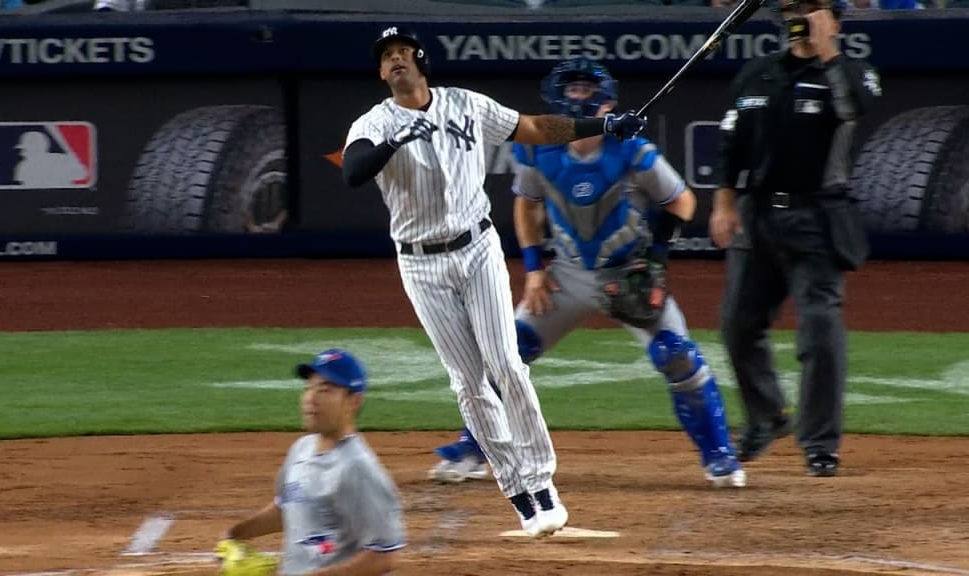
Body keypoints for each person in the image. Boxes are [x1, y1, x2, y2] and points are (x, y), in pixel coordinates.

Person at [341, 26, 645, 537]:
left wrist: (606, 124)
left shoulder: (466, 105)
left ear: (420, 61)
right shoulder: (373, 123)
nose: (394, 61)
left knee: (506, 363)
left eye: (401, 53)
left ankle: (541, 481)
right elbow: (353, 171)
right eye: (385, 57)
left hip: (478, 249)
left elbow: (536, 128)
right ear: (380, 72)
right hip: (421, 266)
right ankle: (517, 492)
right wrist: (392, 140)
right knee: (468, 382)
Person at [429, 57, 747, 490]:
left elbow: (683, 203)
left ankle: (720, 457)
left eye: (586, 90)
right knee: (509, 354)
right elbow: (527, 204)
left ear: (606, 104)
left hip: (626, 274)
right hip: (568, 274)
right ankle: (474, 449)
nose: (578, 97)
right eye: (571, 90)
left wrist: (654, 259)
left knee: (677, 356)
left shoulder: (632, 149)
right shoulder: (538, 147)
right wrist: (535, 270)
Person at [710, 0, 880, 477]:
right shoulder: (758, 74)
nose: (797, 18)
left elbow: (853, 109)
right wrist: (724, 203)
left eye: (809, 8)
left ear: (833, 18)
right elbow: (731, 141)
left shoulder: (853, 73)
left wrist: (827, 51)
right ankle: (765, 417)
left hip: (818, 219)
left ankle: (820, 443)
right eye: (790, 10)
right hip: (756, 215)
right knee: (737, 326)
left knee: (820, 332)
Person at [216, 349, 405, 576]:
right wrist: (236, 533)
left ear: (354, 401)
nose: (311, 398)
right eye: (309, 388)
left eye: (325, 390)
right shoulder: (301, 448)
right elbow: (288, 507)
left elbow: (384, 557)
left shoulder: (359, 470)